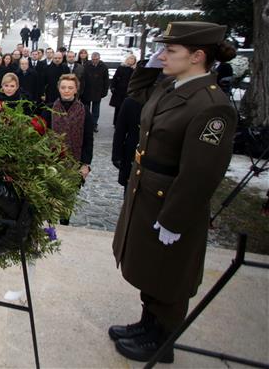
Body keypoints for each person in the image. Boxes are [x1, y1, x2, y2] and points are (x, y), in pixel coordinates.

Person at [110, 22, 238, 363]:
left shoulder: (212, 106)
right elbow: (135, 97)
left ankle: (162, 340)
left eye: (172, 51)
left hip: (172, 200)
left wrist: (174, 219)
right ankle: (146, 324)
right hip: (148, 192)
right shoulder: (172, 87)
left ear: (198, 56)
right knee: (150, 266)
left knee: (169, 272)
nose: (164, 55)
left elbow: (201, 173)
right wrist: (145, 66)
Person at [41, 74, 93, 225]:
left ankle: (64, 228)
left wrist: (86, 164)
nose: (66, 91)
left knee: (67, 202)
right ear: (58, 88)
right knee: (50, 200)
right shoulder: (49, 109)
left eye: (70, 88)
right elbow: (41, 137)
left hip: (74, 163)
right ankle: (50, 230)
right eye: (63, 87)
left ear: (76, 89)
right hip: (52, 162)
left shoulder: (84, 112)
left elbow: (88, 140)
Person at [111, 96, 142, 193]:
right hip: (132, 154)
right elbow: (120, 130)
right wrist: (117, 155)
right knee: (129, 190)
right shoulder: (131, 101)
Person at [81, 52, 109, 132]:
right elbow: (83, 79)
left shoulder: (103, 67)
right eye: (93, 59)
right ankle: (86, 124)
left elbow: (106, 81)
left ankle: (94, 124)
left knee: (96, 110)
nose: (95, 61)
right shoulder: (86, 65)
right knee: (86, 109)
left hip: (98, 91)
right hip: (87, 91)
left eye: (96, 59)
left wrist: (104, 92)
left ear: (99, 59)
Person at [109, 54, 137, 125]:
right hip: (119, 91)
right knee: (118, 108)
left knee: (128, 108)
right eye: (130, 58)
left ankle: (125, 123)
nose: (131, 60)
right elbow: (115, 78)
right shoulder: (121, 67)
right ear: (127, 59)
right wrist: (112, 87)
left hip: (130, 92)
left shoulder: (135, 69)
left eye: (133, 59)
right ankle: (116, 123)